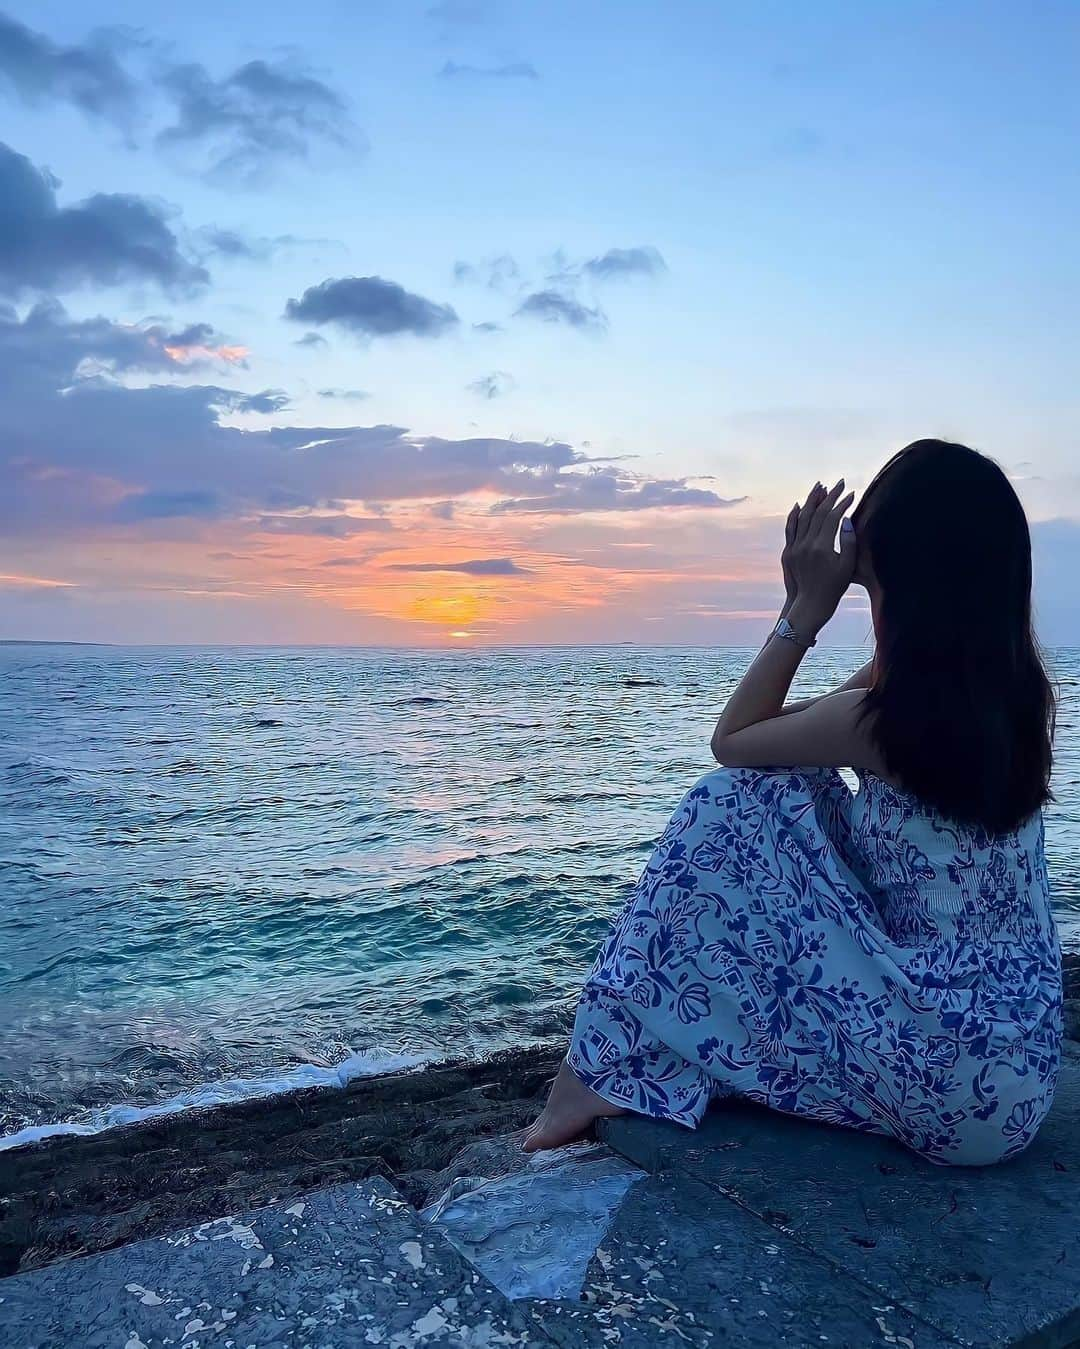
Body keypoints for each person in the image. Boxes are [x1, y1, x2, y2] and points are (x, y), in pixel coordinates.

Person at [523, 440, 1062, 1166]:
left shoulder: (888, 723)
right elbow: (795, 736)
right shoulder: (1014, 695)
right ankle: (671, 1048)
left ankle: (589, 1071)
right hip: (1018, 1075)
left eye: (871, 570)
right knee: (792, 782)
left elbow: (736, 739)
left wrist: (804, 607)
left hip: (949, 1080)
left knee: (729, 801)